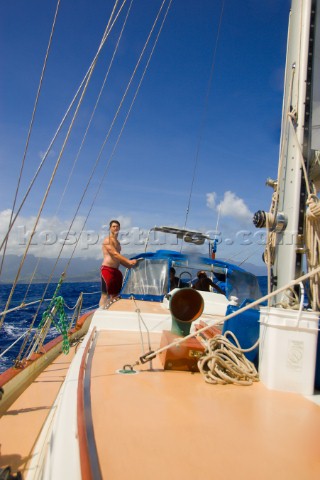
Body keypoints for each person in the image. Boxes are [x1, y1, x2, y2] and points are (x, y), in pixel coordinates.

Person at [100, 220, 137, 308]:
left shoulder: (118, 243)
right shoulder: (107, 240)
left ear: (119, 228)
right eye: (113, 226)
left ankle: (111, 311)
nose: (115, 228)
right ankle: (101, 312)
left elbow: (118, 259)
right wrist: (128, 261)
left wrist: (129, 266)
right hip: (107, 270)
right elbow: (114, 254)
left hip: (116, 271)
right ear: (110, 228)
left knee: (115, 296)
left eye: (117, 226)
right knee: (105, 295)